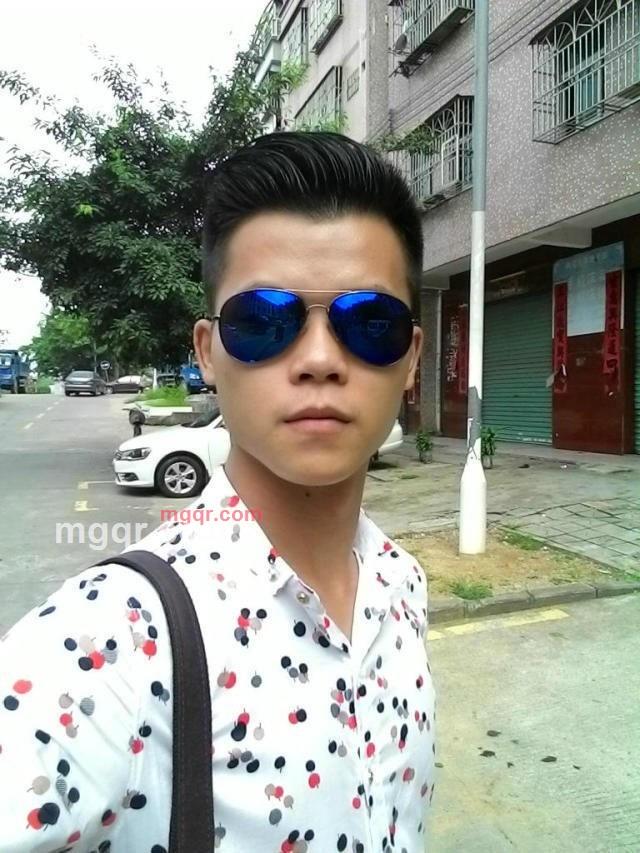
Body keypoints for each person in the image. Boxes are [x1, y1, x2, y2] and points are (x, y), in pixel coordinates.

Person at [0, 132, 436, 852]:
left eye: (371, 323)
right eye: (263, 322)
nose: (320, 359)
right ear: (207, 351)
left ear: (412, 357)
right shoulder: (115, 638)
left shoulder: (401, 585)